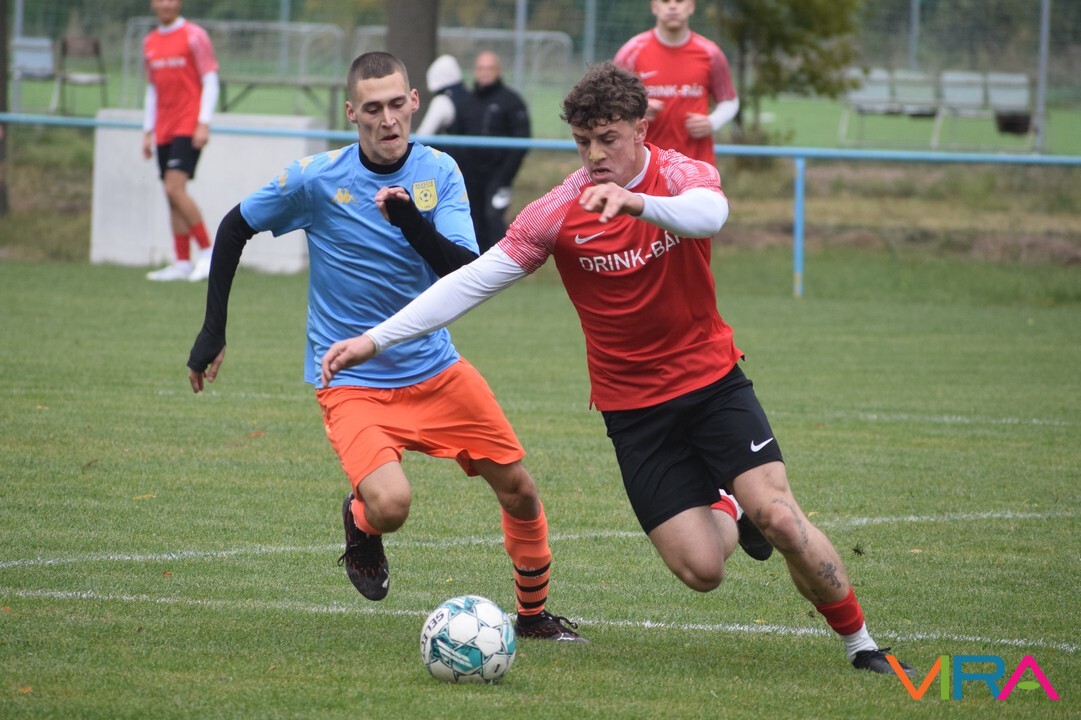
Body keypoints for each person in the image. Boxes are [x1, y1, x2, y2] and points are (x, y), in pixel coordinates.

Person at [321, 62, 916, 676]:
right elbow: (473, 281)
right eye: (583, 142)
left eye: (608, 139)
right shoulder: (558, 211)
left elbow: (710, 214)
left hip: (713, 385)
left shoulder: (679, 175)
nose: (595, 155)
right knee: (702, 571)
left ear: (640, 129)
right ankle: (728, 506)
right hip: (634, 413)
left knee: (781, 517)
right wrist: (375, 339)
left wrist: (638, 204)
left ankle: (862, 645)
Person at [186, 51, 585, 643]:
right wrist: (213, 328)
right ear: (352, 112)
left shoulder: (440, 173)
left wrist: (411, 221)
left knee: (520, 489)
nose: (387, 118)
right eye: (372, 108)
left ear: (415, 101)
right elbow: (234, 226)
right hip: (351, 380)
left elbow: (465, 271)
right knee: (391, 505)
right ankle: (360, 518)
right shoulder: (316, 179)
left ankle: (532, 617)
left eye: (397, 104)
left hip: (435, 369)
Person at [142, 0, 219, 282]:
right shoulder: (150, 42)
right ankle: (182, 262)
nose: (166, 4)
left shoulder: (194, 35)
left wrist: (203, 122)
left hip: (187, 124)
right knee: (171, 193)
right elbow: (153, 89)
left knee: (174, 188)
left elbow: (210, 79)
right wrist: (148, 130)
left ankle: (209, 252)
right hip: (163, 127)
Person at [614, 0, 738, 164]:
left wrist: (712, 122)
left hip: (697, 165)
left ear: (691, 7)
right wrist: (636, 108)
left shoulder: (710, 53)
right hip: (646, 166)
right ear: (654, 7)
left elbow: (729, 100)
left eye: (679, 1)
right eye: (665, 1)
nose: (672, 6)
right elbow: (611, 102)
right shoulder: (631, 52)